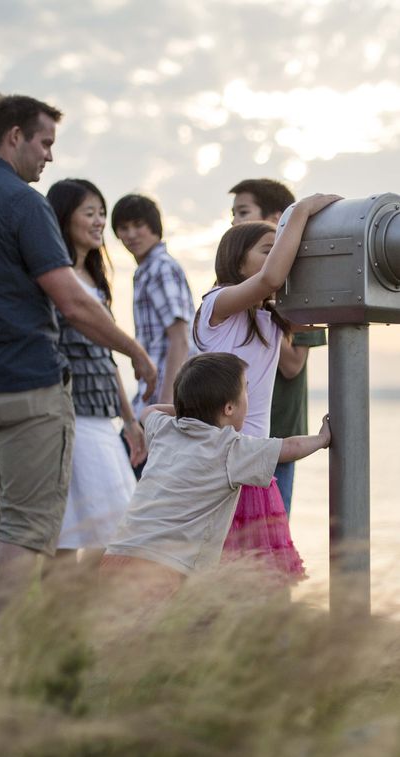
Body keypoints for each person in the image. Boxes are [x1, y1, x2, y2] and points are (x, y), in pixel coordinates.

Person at [0, 94, 156, 646]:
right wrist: (134, 351)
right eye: (45, 142)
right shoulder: (23, 204)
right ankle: (4, 653)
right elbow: (72, 303)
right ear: (14, 137)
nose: (48, 157)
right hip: (29, 386)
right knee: (25, 528)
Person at [194, 193, 340, 578]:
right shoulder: (217, 305)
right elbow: (272, 277)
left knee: (259, 582)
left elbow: (335, 310)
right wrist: (303, 210)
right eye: (266, 249)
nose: (278, 257)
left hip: (253, 467)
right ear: (237, 259)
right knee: (214, 580)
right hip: (216, 467)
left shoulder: (270, 318)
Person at [103, 352, 330, 588]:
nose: (248, 397)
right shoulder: (230, 448)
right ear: (229, 407)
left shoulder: (164, 428)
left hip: (118, 554)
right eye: (246, 390)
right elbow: (289, 447)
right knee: (165, 625)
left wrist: (191, 408)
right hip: (165, 568)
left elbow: (147, 412)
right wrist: (322, 439)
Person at [46, 178, 145, 563]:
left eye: (101, 212)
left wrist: (129, 419)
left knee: (108, 528)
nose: (99, 221)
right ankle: (66, 618)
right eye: (90, 212)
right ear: (64, 218)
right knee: (77, 532)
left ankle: (78, 618)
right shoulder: (57, 279)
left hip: (101, 415)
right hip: (71, 414)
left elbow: (105, 357)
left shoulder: (96, 281)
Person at [230, 178, 327, 516]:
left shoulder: (299, 287)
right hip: (234, 435)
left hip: (280, 431)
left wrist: (260, 314)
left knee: (270, 538)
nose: (235, 222)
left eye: (243, 212)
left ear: (278, 219)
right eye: (233, 214)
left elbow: (292, 365)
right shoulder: (236, 292)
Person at [111, 193, 196, 477]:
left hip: (161, 404)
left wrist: (165, 408)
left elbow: (180, 338)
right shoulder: (146, 270)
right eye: (123, 228)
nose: (131, 234)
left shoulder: (160, 268)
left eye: (138, 225)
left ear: (154, 226)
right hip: (151, 401)